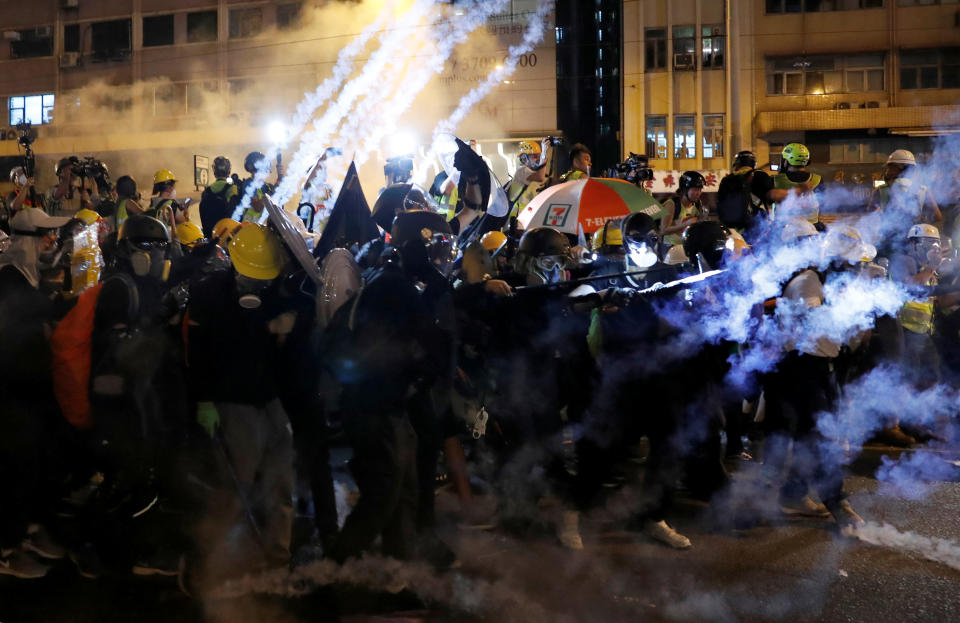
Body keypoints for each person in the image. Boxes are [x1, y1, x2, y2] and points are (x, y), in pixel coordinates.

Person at [186, 223, 296, 586]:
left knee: (280, 482)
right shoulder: (208, 294)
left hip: (272, 399)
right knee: (235, 488)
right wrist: (204, 400)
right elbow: (197, 352)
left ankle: (277, 559)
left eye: (262, 281)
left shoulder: (279, 292)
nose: (257, 287)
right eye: (252, 280)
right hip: (232, 403)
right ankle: (216, 566)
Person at [868, 149, 941, 225]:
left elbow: (869, 217)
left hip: (892, 234)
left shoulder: (882, 190)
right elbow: (937, 216)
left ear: (899, 168)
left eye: (890, 167)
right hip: (912, 234)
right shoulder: (922, 190)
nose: (888, 171)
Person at [771, 143, 822, 225]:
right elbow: (821, 203)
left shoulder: (775, 180)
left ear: (786, 162)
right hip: (811, 227)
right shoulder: (818, 179)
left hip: (783, 228)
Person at [505, 138, 552, 216]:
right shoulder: (522, 171)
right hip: (518, 219)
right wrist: (544, 154)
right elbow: (540, 177)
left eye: (538, 156)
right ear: (524, 159)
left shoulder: (534, 173)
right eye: (534, 157)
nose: (538, 159)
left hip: (527, 216)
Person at [659, 171, 706, 247]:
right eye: (695, 189)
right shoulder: (672, 204)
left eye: (700, 190)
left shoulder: (697, 204)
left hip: (688, 246)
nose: (698, 193)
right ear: (685, 190)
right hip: (670, 246)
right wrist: (686, 224)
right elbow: (663, 230)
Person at [234, 152, 283, 224]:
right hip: (251, 229)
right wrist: (272, 191)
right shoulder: (249, 184)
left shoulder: (267, 186)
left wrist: (280, 177)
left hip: (264, 230)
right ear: (251, 166)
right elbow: (258, 207)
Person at [199, 157, 239, 238]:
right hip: (226, 236)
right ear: (229, 171)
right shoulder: (233, 189)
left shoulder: (206, 191)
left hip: (209, 236)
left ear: (214, 172)